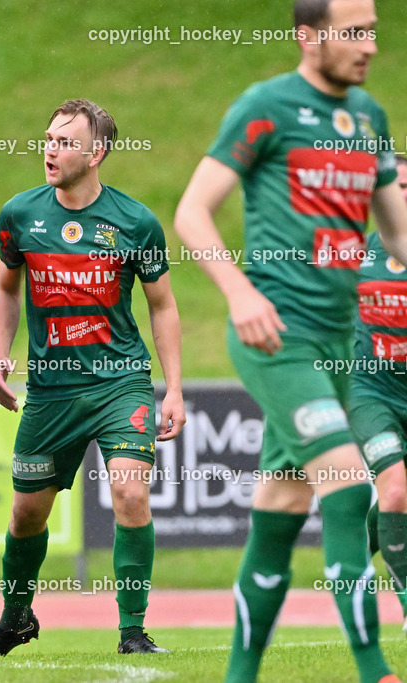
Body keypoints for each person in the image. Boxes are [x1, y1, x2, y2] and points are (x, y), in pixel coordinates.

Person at [174, 1, 407, 680]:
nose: (368, 45)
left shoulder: (368, 118)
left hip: (337, 347)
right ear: (308, 37)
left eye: (372, 32)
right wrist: (240, 293)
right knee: (348, 485)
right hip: (277, 336)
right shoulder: (266, 107)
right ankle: (375, 670)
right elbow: (192, 212)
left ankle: (238, 675)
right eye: (352, 33)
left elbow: (397, 234)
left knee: (280, 507)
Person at [0, 98, 185, 658]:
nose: (50, 149)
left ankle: (132, 630)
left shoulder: (136, 222)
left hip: (121, 382)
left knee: (130, 492)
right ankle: (15, 619)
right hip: (51, 391)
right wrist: (0, 358)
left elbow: (163, 305)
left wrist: (173, 388)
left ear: (96, 155)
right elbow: (4, 288)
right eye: (48, 138)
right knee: (26, 513)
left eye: (65, 142)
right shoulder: (19, 214)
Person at [349, 155, 407, 634]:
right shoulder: (355, 254)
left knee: (396, 499)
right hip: (370, 392)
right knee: (396, 487)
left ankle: (351, 551)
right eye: (395, 186)